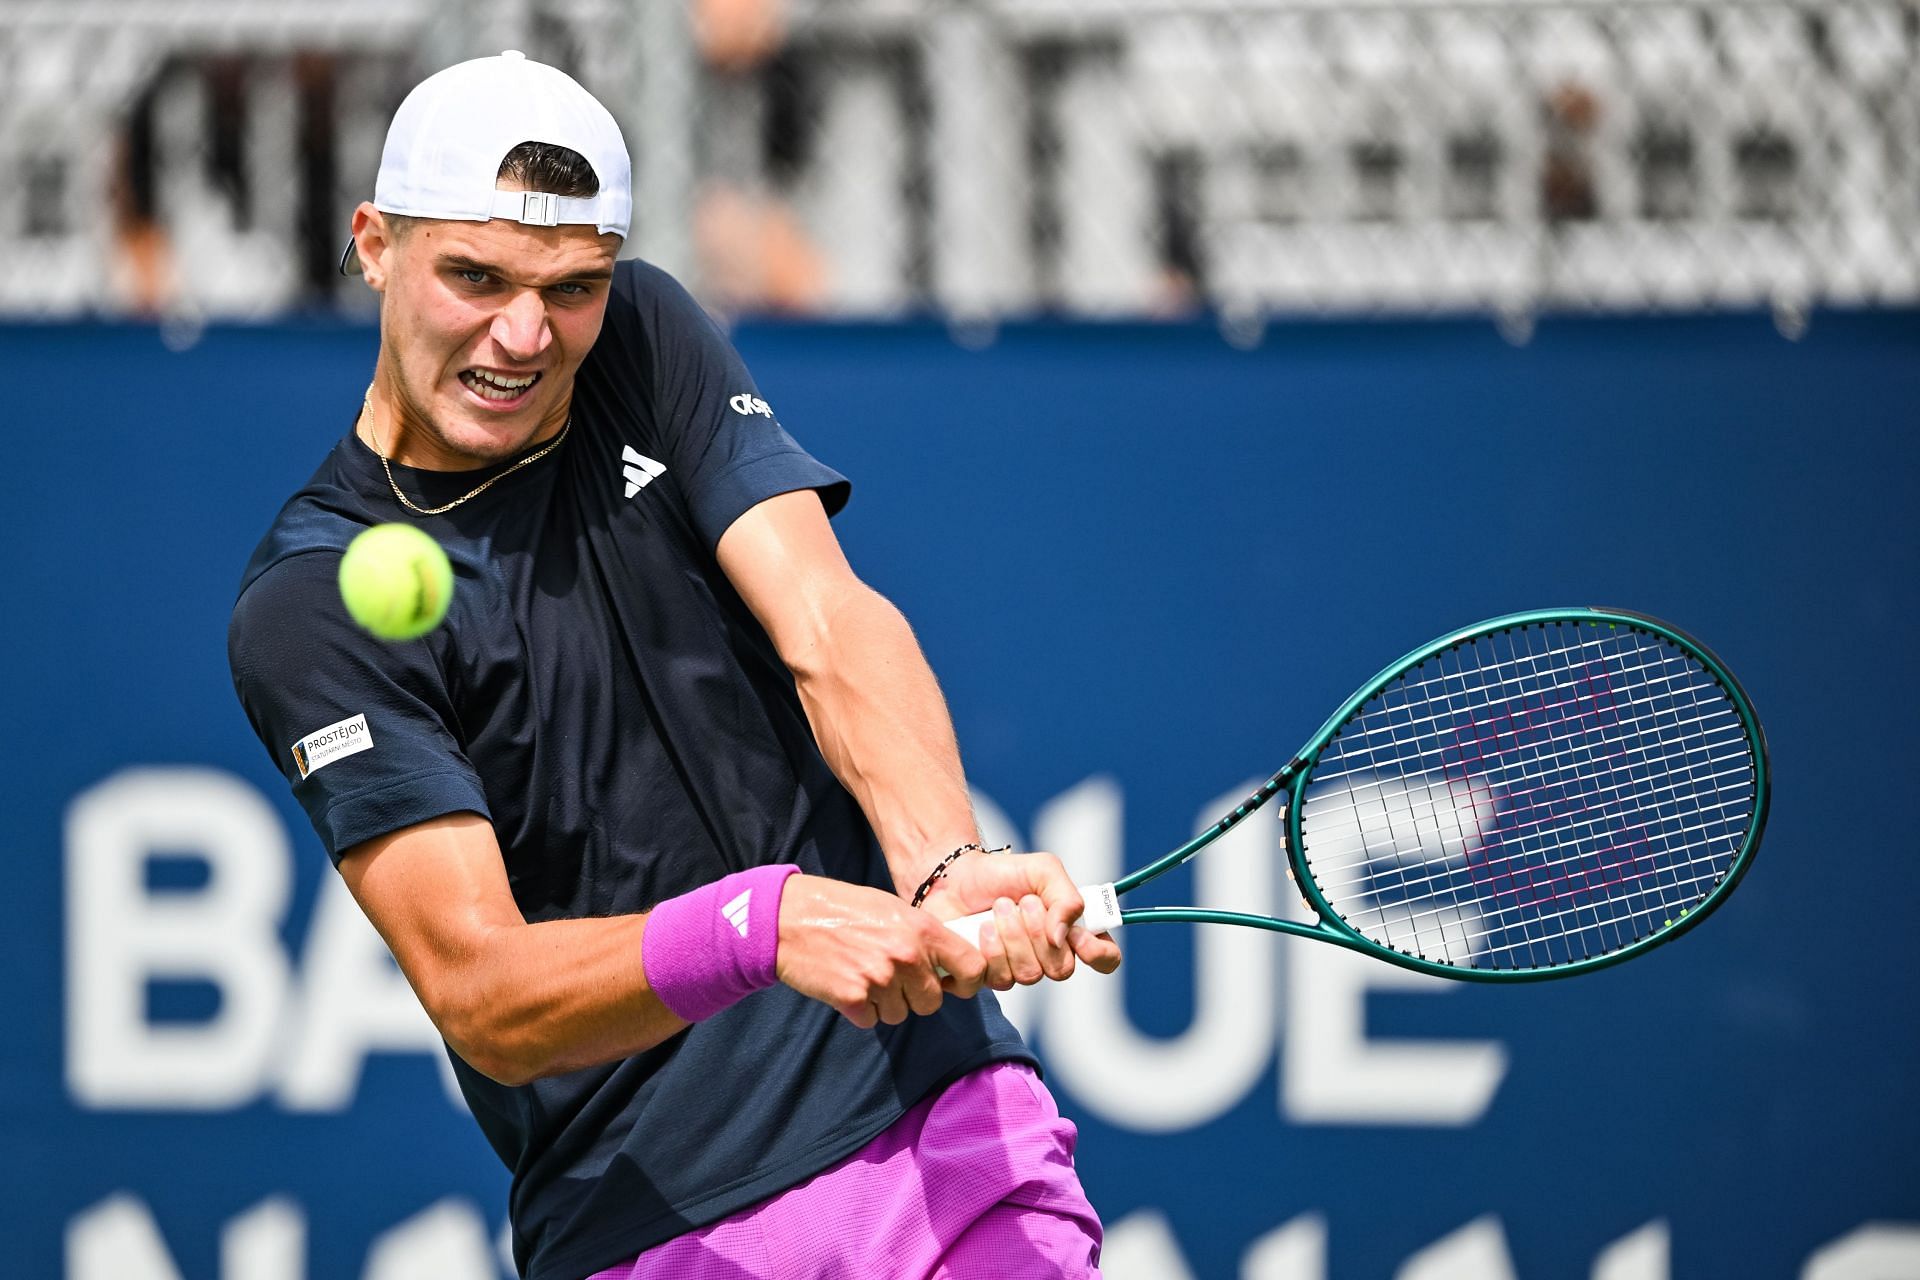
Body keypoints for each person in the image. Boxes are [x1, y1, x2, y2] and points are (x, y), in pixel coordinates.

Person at [226, 49, 1119, 1280]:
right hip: (652, 1217)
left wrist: (944, 858)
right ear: (374, 244)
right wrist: (760, 922)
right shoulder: (309, 607)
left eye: (571, 286)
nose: (524, 335)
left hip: (932, 1115)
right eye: (474, 278)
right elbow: (480, 988)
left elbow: (827, 616)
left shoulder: (640, 335)